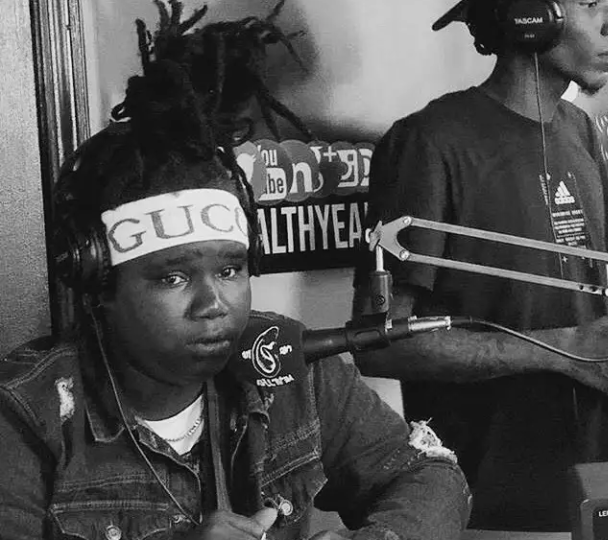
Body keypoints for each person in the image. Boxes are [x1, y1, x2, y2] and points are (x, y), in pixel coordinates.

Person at [0, 4, 470, 539]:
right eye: (173, 278)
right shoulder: (27, 414)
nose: (214, 304)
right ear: (99, 284)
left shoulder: (284, 363)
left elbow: (431, 476)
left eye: (229, 270)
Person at [352, 0, 608, 532]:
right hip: (482, 507)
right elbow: (379, 343)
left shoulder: (580, 131)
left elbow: (576, 302)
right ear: (531, 16)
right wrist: (569, 351)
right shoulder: (428, 142)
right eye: (589, 4)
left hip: (592, 494)